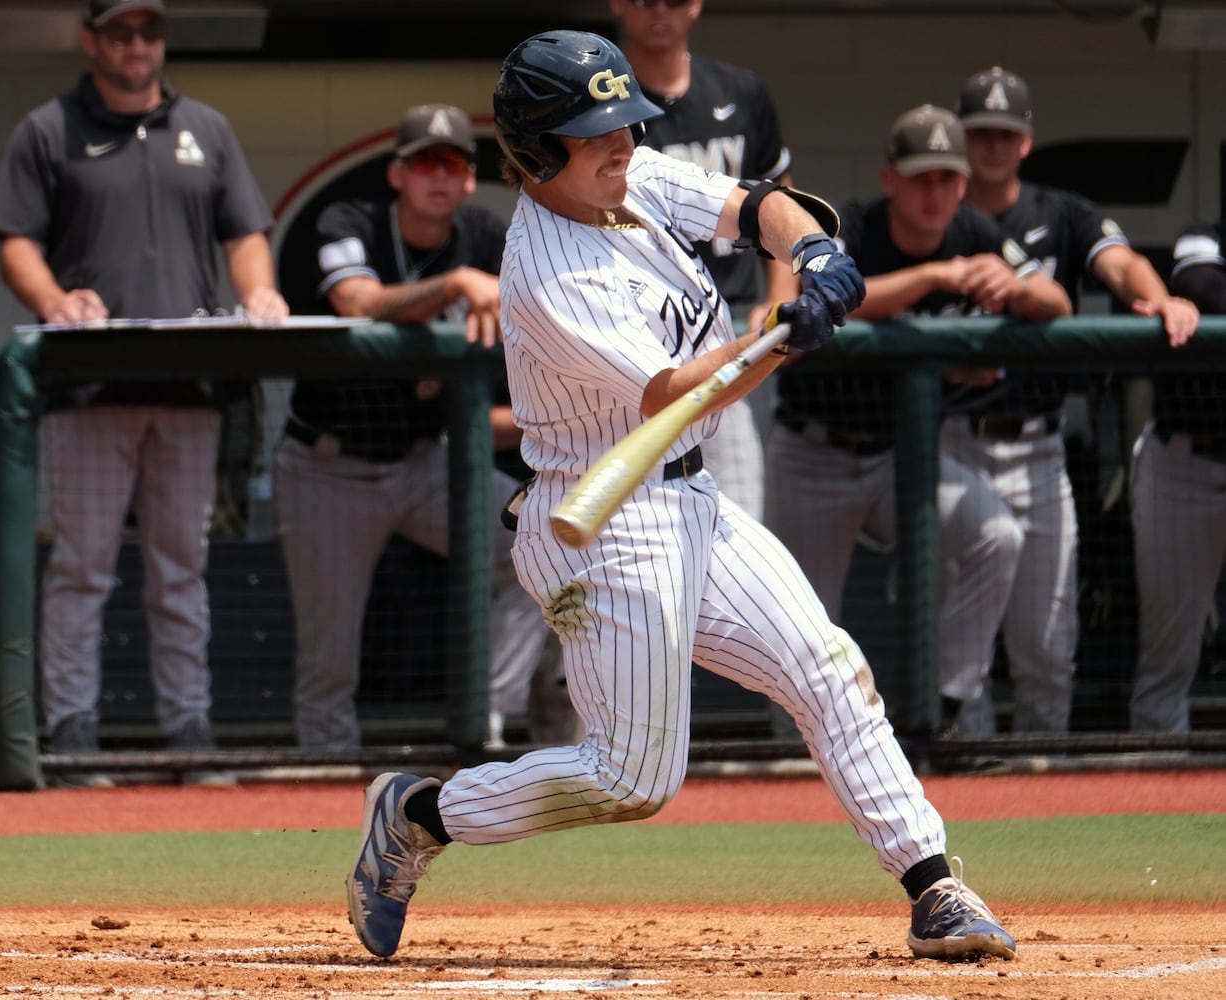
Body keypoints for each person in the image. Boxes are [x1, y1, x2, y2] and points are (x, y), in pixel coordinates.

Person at [346, 31, 1016, 965]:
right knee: (633, 776)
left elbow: (757, 205)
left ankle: (934, 886)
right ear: (538, 154)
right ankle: (416, 813)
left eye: (625, 123)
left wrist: (814, 256)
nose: (622, 142)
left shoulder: (631, 179)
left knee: (827, 666)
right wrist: (786, 337)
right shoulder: (549, 272)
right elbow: (676, 393)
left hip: (689, 497)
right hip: (600, 528)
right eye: (596, 132)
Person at [0, 0, 288, 787]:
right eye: (119, 32)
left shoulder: (207, 129)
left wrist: (260, 294)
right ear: (91, 40)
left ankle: (191, 735)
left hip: (188, 387)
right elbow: (16, 241)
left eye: (148, 31)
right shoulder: (49, 127)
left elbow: (245, 235)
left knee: (182, 568)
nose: (136, 45)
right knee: (82, 568)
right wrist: (53, 300)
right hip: (87, 387)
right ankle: (72, 735)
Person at [764, 105, 1071, 755]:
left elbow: (1057, 303)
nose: (935, 192)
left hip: (899, 457)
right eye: (921, 177)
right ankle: (789, 765)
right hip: (814, 451)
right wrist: (936, 276)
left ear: (962, 185)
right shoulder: (851, 224)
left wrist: (1013, 284)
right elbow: (830, 295)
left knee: (995, 533)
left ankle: (944, 702)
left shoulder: (976, 228)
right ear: (890, 179)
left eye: (946, 178)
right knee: (795, 624)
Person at [274, 103, 568, 750]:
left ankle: (486, 722)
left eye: (454, 163)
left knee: (549, 552)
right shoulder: (350, 221)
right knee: (330, 658)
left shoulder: (489, 235)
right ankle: (324, 775)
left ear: (469, 179)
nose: (440, 174)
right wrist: (453, 286)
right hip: (330, 465)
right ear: (399, 174)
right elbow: (356, 301)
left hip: (426, 459)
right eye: (425, 162)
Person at [954, 66, 1199, 735]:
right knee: (961, 651)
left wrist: (1156, 296)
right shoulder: (937, 212)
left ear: (1026, 140)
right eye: (981, 133)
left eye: (1006, 133)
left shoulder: (1058, 210)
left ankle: (1045, 794)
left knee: (1046, 645)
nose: (994, 145)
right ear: (963, 138)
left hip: (1037, 444)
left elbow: (1117, 259)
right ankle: (963, 778)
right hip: (953, 445)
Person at [612, 0, 798, 522]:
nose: (656, 11)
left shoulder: (740, 90)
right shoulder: (608, 101)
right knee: (650, 514)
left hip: (733, 324)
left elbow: (778, 195)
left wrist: (781, 297)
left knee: (735, 512)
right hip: (645, 330)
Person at [1129, 221, 1222, 732]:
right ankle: (1155, 793)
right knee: (1168, 661)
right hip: (1184, 468)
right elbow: (1202, 289)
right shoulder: (1205, 236)